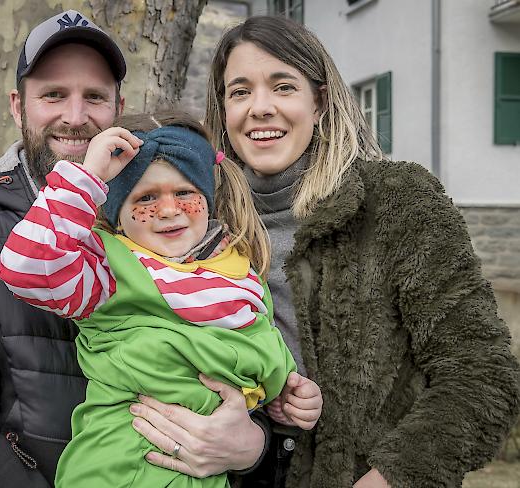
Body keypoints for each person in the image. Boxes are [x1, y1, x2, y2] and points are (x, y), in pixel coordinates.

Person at [127, 15, 520, 488]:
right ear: (223, 112)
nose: (260, 107)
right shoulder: (195, 221)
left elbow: (482, 375)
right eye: (240, 91)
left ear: (320, 102)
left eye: (283, 86)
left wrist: (389, 478)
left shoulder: (395, 202)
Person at [0, 11, 269, 487]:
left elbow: (236, 350)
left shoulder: (170, 222)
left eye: (94, 97)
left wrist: (250, 444)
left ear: (119, 105)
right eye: (53, 95)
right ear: (17, 106)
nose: (75, 117)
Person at [0, 111, 322, 487]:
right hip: (121, 468)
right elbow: (25, 267)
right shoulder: (107, 267)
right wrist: (86, 179)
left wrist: (286, 396)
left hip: (206, 474)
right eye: (146, 197)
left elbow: (259, 346)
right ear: (118, 214)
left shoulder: (240, 267)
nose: (169, 211)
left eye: (184, 193)